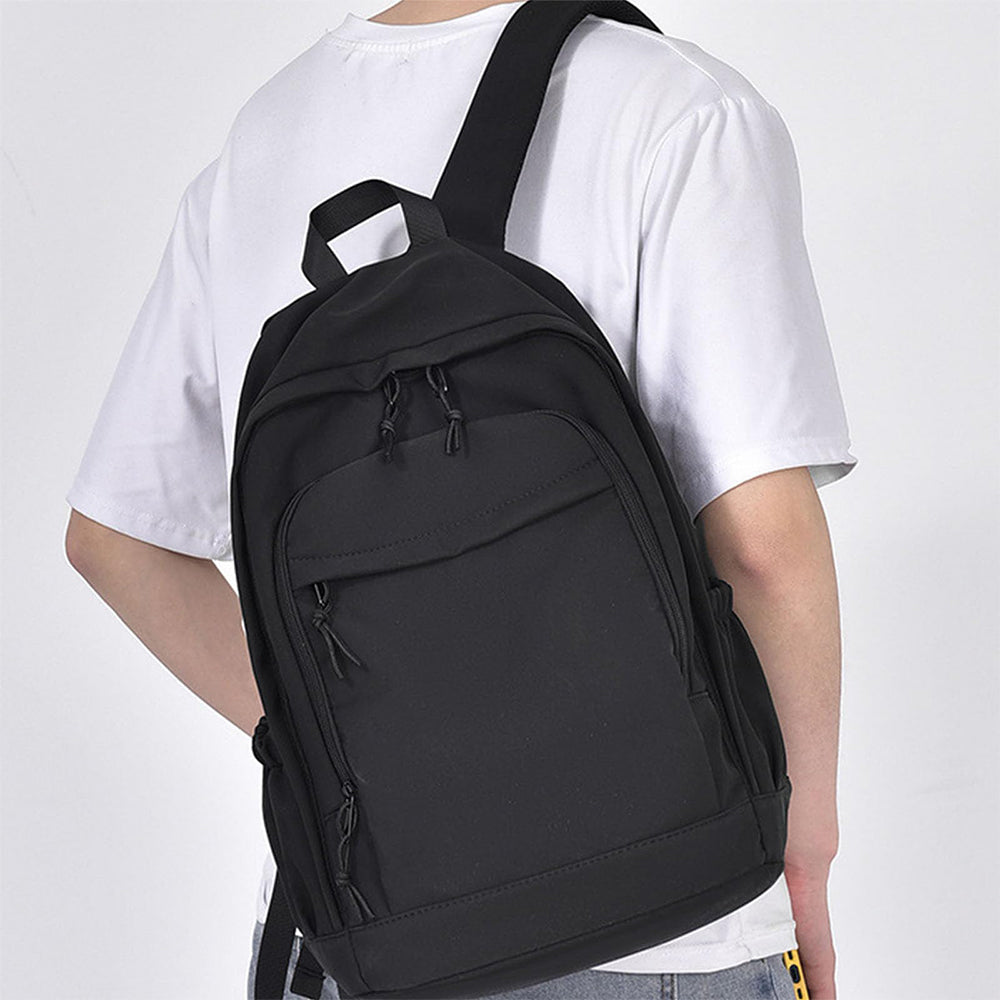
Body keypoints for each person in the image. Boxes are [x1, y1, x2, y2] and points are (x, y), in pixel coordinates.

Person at [64, 1, 856, 997]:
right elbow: (762, 549)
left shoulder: (261, 138)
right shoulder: (680, 109)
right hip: (662, 924)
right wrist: (804, 849)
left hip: (372, 927)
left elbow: (113, 539)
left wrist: (352, 753)